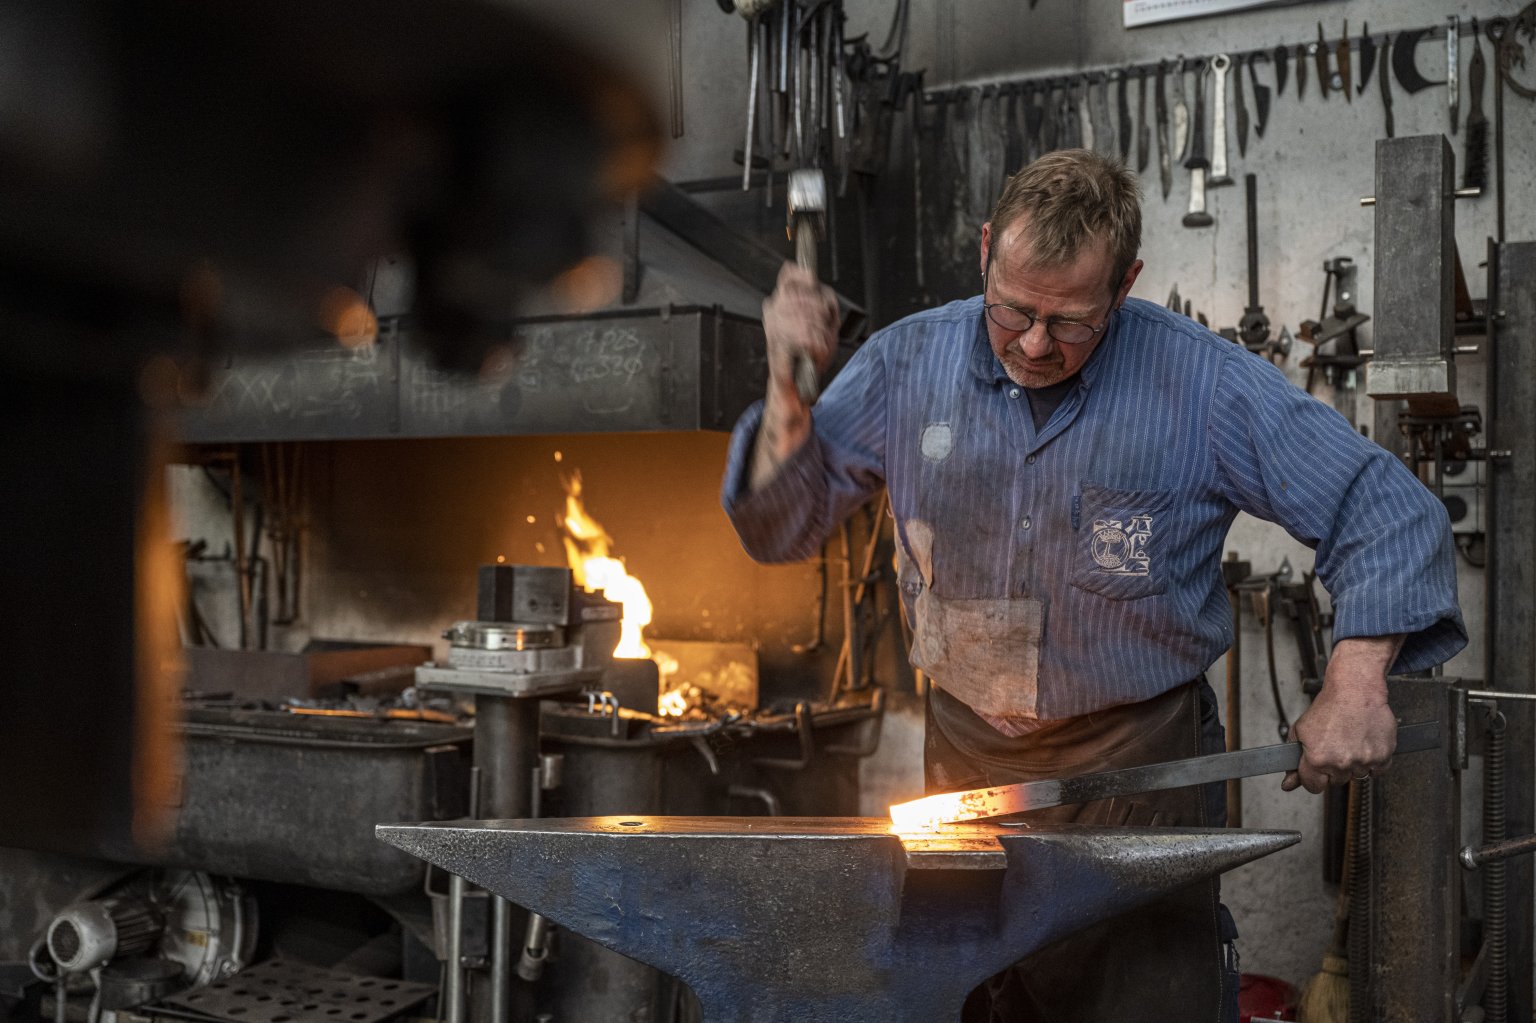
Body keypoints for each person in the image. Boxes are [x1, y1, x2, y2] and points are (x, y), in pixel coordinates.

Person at [719, 148, 1466, 1022]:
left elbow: (1386, 507)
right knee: (969, 1002)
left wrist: (1357, 679)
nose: (1035, 344)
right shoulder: (904, 364)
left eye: (1070, 322)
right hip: (965, 773)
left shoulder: (1202, 382)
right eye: (1013, 310)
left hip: (1138, 778)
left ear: (1125, 284)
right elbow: (780, 528)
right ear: (986, 249)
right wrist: (787, 388)